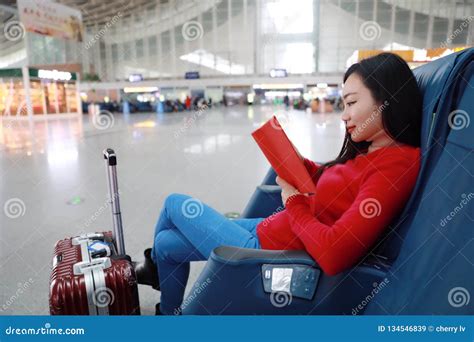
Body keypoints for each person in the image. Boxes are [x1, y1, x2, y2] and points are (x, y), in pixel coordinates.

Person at [134, 52, 423, 315]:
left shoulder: (396, 165)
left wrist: (294, 203)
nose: (344, 114)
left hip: (265, 253)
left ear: (386, 99)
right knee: (167, 244)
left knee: (175, 203)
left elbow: (335, 255)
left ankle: (154, 271)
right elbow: (333, 187)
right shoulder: (370, 149)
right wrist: (298, 163)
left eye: (351, 103)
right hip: (270, 230)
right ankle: (169, 316)